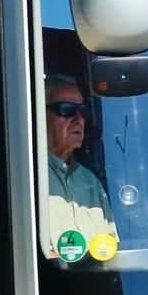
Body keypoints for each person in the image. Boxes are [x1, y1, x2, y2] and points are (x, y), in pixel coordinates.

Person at [44, 73, 116, 244]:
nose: (79, 120)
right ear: (39, 114)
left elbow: (111, 246)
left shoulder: (90, 181)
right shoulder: (25, 179)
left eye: (83, 111)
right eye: (67, 109)